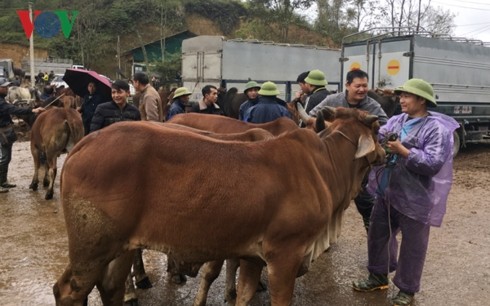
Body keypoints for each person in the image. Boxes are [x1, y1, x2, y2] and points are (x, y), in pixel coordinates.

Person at [352, 78, 459, 306]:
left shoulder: (436, 129)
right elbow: (381, 136)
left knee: (413, 245)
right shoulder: (396, 120)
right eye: (400, 96)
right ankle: (378, 276)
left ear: (421, 100)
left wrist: (403, 151)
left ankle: (407, 289)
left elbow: (433, 163)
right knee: (378, 234)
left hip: (416, 198)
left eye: (406, 96)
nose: (401, 100)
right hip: (388, 191)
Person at [309, 69, 388, 232]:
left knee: (365, 199)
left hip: (359, 162)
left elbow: (385, 125)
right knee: (328, 198)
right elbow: (311, 116)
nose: (362, 90)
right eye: (357, 86)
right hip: (332, 161)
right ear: (347, 85)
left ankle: (372, 232)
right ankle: (325, 235)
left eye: (365, 86)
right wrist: (332, 127)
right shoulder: (332, 100)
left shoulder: (372, 106)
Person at [0, 81, 45, 193]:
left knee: (6, 158)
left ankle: (3, 181)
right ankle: (0, 183)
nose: (7, 89)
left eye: (7, 87)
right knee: (5, 158)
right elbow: (13, 110)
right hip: (3, 132)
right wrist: (32, 110)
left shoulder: (2, 100)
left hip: (6, 131)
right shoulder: (0, 102)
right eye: (4, 87)